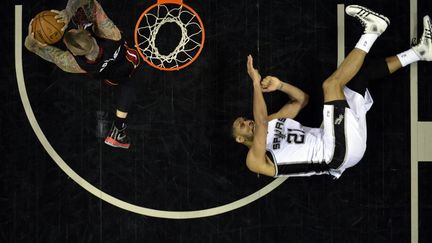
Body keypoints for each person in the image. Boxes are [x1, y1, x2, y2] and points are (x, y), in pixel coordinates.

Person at [232, 5, 432, 178]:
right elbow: (259, 122)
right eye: (241, 124)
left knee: (360, 76)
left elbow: (301, 100)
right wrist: (256, 83)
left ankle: (420, 52)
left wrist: (281, 85)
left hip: (339, 140)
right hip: (334, 153)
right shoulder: (254, 160)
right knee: (331, 86)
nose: (246, 121)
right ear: (240, 139)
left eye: (244, 119)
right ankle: (373, 30)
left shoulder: (270, 122)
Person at [24, 0, 140, 149]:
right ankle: (117, 127)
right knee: (84, 9)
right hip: (131, 61)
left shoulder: (74, 64)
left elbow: (35, 48)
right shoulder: (111, 34)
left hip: (111, 79)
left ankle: (118, 129)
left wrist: (32, 39)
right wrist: (67, 11)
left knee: (81, 14)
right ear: (90, 35)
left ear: (72, 53)